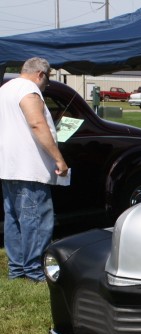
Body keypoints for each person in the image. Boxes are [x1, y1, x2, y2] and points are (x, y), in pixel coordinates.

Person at [0, 57, 69, 282]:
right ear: (40, 74)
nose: (46, 85)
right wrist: (59, 159)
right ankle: (34, 271)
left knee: (14, 219)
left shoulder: (6, 88)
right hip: (29, 167)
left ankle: (17, 268)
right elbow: (37, 124)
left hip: (9, 166)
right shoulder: (29, 90)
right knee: (36, 219)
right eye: (47, 80)